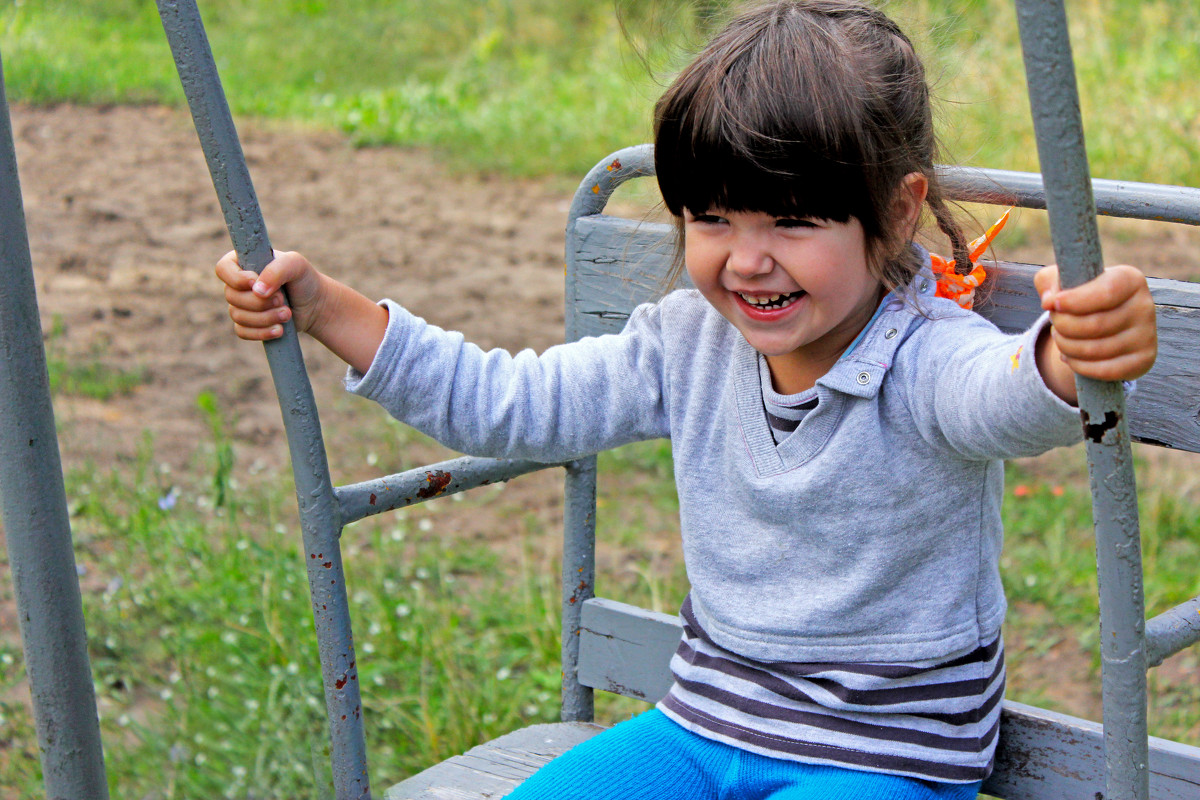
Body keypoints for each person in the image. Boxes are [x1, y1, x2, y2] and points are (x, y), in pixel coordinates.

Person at [215, 2, 1158, 797]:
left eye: (791, 220)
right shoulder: (686, 341)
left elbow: (1000, 399)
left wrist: (1073, 356)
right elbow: (511, 403)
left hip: (882, 757)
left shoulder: (924, 356)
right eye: (711, 218)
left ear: (899, 210)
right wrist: (331, 310)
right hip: (705, 720)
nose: (746, 259)